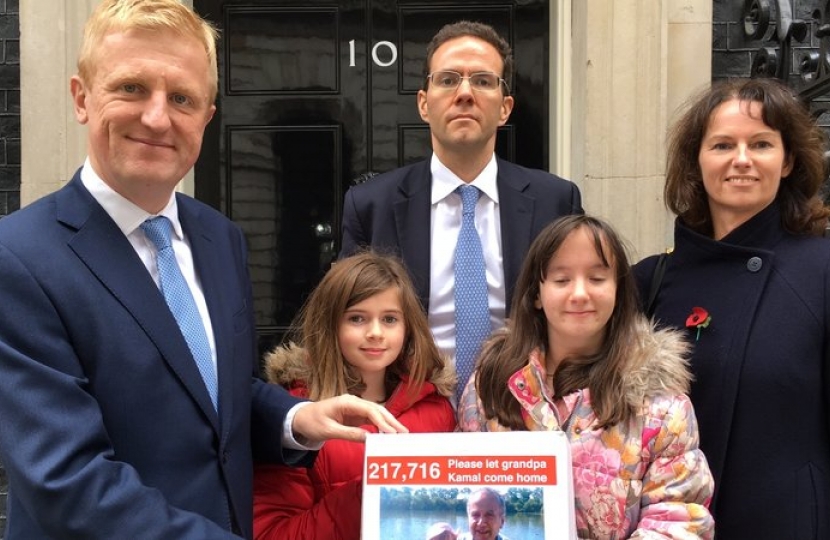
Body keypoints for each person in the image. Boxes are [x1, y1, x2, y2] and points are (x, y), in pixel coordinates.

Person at [0, 1, 406, 539]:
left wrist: (295, 420)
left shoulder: (220, 238)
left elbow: (214, 392)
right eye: (131, 88)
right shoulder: (19, 257)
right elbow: (67, 481)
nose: (157, 117)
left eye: (182, 98)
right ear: (82, 98)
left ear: (207, 117)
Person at [339, 21, 583, 401]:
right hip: (407, 420)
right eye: (449, 79)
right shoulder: (371, 206)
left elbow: (578, 320)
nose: (465, 93)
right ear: (424, 103)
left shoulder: (556, 201)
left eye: (483, 81)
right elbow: (346, 320)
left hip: (523, 421)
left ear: (504, 109)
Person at [633, 77, 830, 539]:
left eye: (761, 144)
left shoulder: (823, 270)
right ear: (696, 162)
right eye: (722, 145)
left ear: (789, 162)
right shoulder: (648, 280)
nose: (741, 160)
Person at [459, 215, 715, 539]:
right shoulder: (489, 387)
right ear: (537, 293)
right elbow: (467, 484)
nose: (579, 293)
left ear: (618, 290)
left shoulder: (662, 405)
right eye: (561, 280)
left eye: (596, 278)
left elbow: (679, 521)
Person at [253, 252, 457, 540]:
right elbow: (273, 533)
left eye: (389, 319)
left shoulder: (436, 406)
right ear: (331, 325)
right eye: (357, 318)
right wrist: (374, 492)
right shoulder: (296, 416)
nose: (375, 332)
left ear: (408, 328)